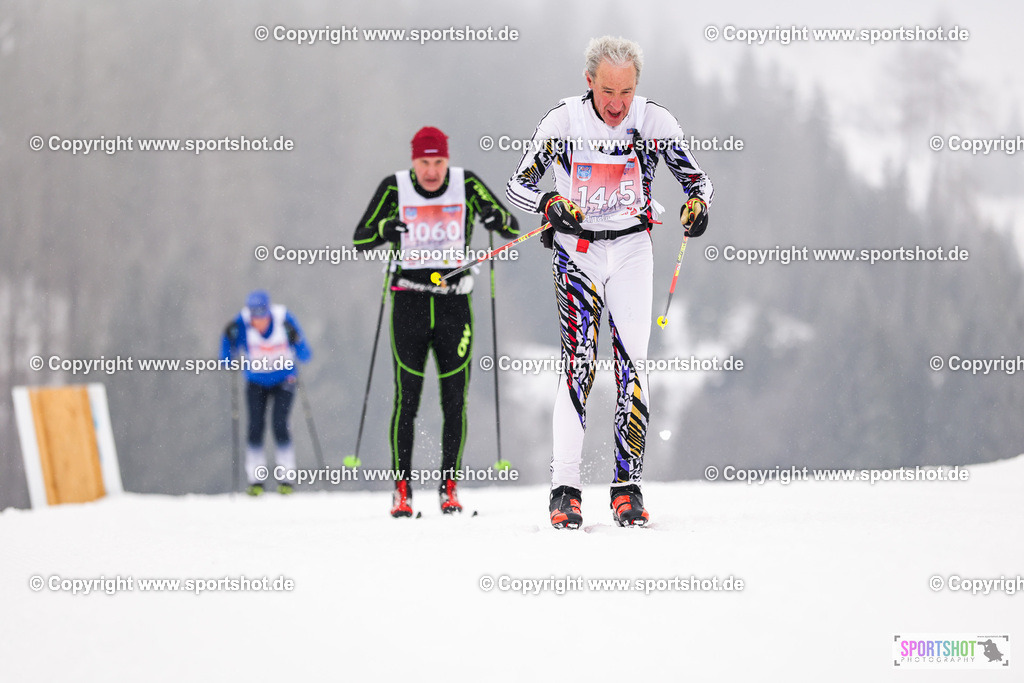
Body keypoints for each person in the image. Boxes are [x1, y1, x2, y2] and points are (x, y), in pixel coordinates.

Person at [506, 36, 713, 529]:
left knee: (632, 365)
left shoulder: (653, 121)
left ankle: (627, 488)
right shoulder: (564, 121)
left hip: (632, 249)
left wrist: (698, 206)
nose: (617, 104)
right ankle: (565, 490)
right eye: (607, 92)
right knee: (578, 365)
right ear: (589, 82)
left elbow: (697, 181)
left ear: (636, 85)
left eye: (626, 91)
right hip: (578, 253)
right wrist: (550, 205)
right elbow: (519, 184)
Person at [354, 126, 519, 518]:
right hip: (408, 303)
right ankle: (402, 491)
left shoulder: (467, 184)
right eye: (425, 163)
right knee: (406, 400)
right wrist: (383, 229)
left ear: (448, 159)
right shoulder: (394, 188)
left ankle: (449, 488)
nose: (432, 172)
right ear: (413, 161)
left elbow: (511, 227)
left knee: (453, 402)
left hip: (453, 307)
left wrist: (496, 217)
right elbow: (361, 237)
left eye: (439, 162)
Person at [221, 290, 312, 495]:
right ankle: (255, 480)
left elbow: (305, 354)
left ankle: (286, 479)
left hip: (284, 380)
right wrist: (228, 343)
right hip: (256, 381)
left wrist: (295, 339)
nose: (258, 322)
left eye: (261, 316)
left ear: (268, 312)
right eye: (254, 316)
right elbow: (227, 354)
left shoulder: (283, 319)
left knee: (280, 425)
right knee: (255, 427)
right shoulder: (241, 323)